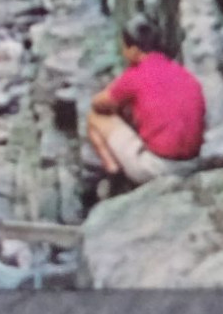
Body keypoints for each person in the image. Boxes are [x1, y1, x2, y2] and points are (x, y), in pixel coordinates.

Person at [85, 16, 206, 187]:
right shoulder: (181, 72)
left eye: (124, 47)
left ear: (134, 50)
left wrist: (117, 85)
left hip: (159, 168)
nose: (123, 52)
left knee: (95, 117)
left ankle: (114, 172)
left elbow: (98, 103)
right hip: (193, 163)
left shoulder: (135, 76)